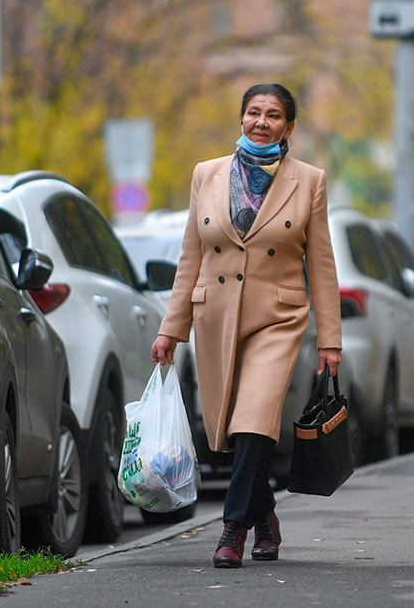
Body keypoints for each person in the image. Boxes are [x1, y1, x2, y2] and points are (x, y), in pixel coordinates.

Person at [151, 83, 342, 569]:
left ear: (289, 127)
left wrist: (330, 340)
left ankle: (231, 528)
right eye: (253, 113)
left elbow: (321, 265)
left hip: (277, 317)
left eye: (273, 115)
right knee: (235, 432)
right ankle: (266, 519)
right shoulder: (206, 175)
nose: (262, 122)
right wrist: (170, 330)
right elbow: (191, 256)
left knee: (255, 419)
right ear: (241, 119)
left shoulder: (309, 181)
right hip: (214, 317)